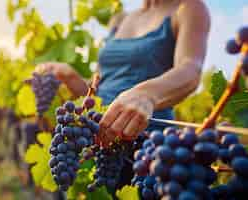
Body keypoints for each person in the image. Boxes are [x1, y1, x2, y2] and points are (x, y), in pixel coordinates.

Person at [36, 0, 210, 188]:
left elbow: (191, 69)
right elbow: (102, 85)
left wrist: (147, 94)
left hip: (144, 145)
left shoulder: (188, 8)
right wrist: (70, 76)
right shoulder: (119, 19)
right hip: (100, 140)